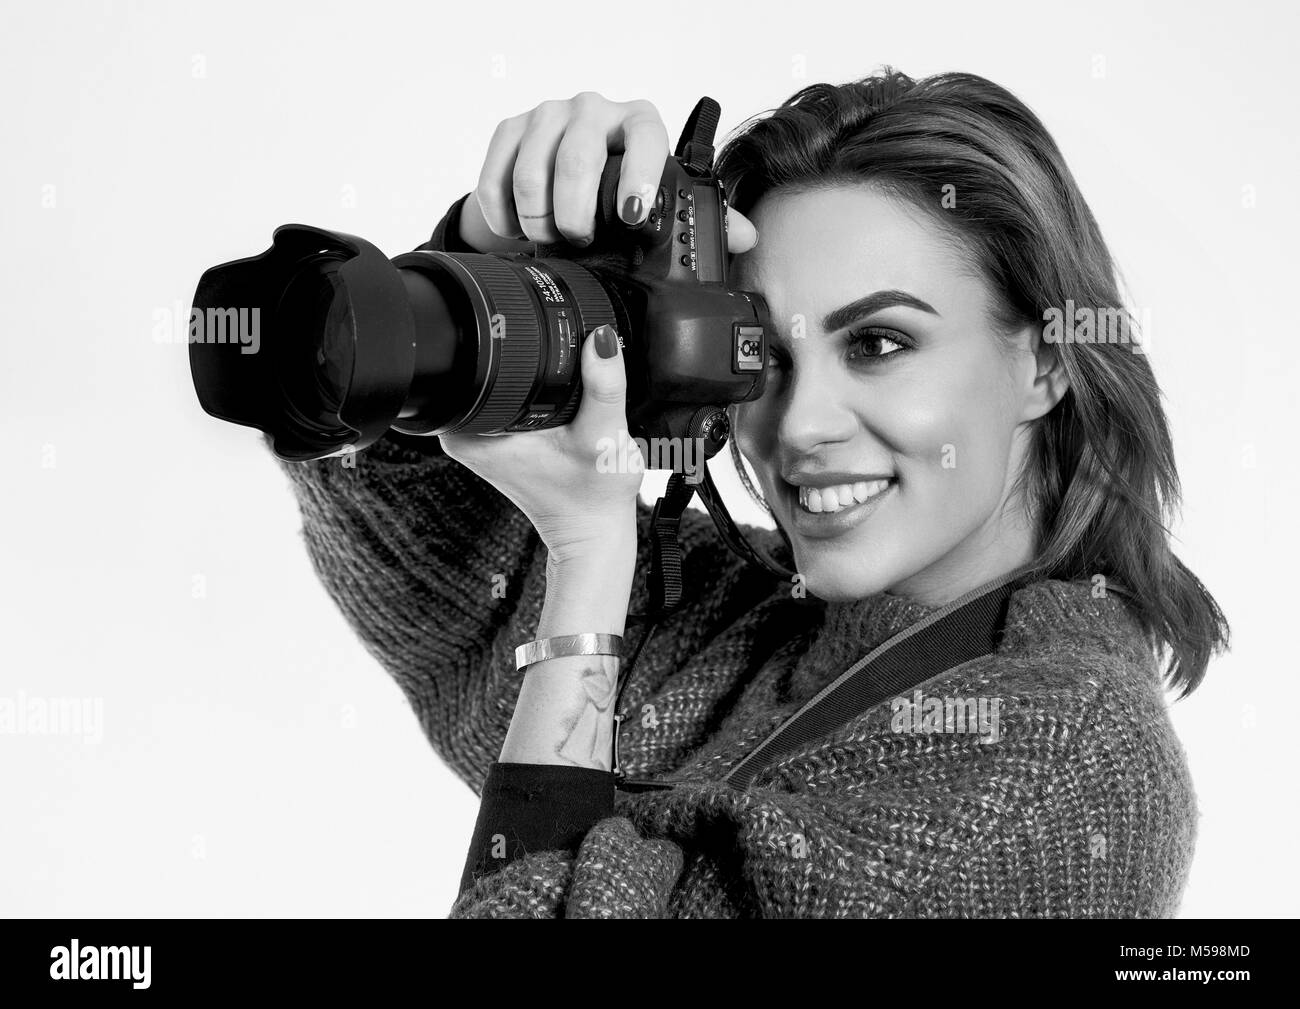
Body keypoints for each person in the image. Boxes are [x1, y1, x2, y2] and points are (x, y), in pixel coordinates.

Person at [271, 70, 1229, 917]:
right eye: (760, 352)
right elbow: (435, 567)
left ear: (1046, 361)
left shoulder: (1054, 778)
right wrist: (488, 256)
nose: (799, 423)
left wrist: (589, 574)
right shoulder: (763, 613)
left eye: (878, 344)